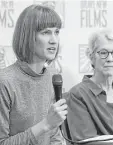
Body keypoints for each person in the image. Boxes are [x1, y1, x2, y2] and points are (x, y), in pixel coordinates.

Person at [0, 5, 67, 145]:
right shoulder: (5, 81)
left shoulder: (52, 77)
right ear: (28, 35)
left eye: (57, 32)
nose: (54, 40)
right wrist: (45, 124)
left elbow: (54, 133)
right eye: (46, 32)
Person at [64, 29, 113, 142]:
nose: (110, 59)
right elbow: (86, 141)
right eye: (103, 53)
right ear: (91, 57)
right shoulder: (78, 94)